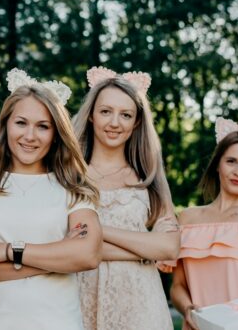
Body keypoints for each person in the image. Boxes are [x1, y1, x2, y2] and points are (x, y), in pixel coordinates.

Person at [0, 70, 101, 330]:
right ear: (6, 124)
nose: (30, 136)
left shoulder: (72, 186)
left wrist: (7, 251)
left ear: (56, 133)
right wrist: (58, 259)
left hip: (57, 321)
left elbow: (87, 254)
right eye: (21, 123)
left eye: (43, 126)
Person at [74, 66, 180, 330]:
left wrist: (97, 231)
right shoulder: (70, 176)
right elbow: (62, 244)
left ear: (136, 123)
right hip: (79, 299)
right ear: (91, 116)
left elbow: (168, 248)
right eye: (106, 111)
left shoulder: (149, 177)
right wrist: (144, 249)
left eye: (126, 115)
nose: (114, 123)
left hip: (140, 306)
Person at [167, 118, 238, 330]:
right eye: (231, 161)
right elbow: (178, 286)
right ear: (217, 164)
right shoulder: (187, 219)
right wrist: (189, 310)